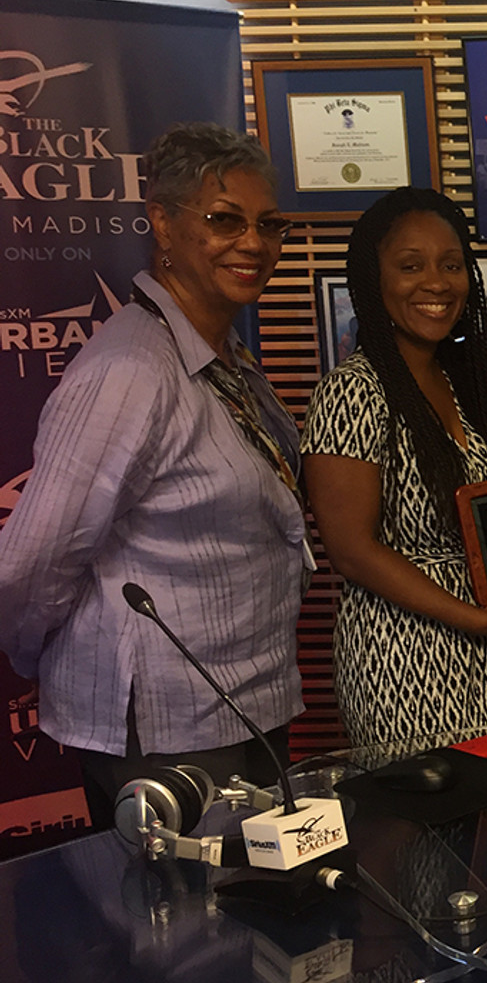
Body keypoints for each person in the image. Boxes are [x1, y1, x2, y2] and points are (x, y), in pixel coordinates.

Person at [0, 122, 310, 825]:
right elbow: (29, 562)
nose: (254, 243)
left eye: (270, 224)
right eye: (224, 220)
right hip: (166, 728)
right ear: (163, 226)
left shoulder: (222, 355)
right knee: (188, 932)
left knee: (255, 925)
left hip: (246, 703)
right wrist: (52, 661)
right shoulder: (130, 372)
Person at [302, 188, 487, 747]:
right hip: (405, 656)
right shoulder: (352, 390)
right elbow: (350, 549)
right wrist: (474, 619)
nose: (437, 283)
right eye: (410, 266)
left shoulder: (463, 383)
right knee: (428, 828)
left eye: (450, 264)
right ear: (374, 280)